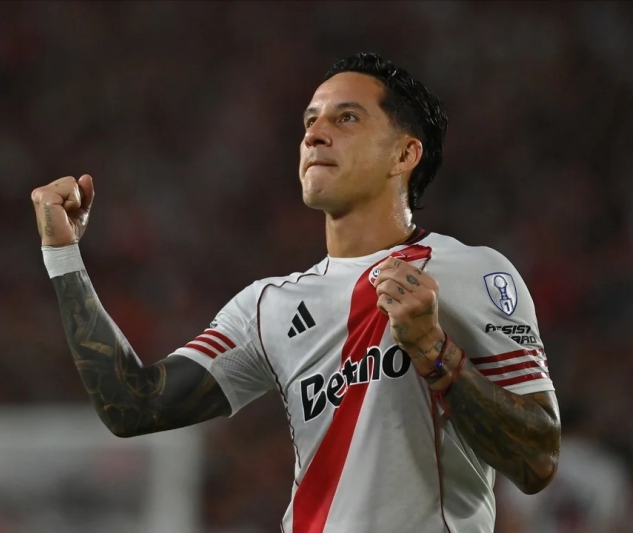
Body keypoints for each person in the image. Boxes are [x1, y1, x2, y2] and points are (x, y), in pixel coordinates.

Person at [30, 52, 561, 533]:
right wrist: (63, 254)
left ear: (404, 154)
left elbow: (537, 461)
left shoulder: (472, 273)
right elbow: (132, 405)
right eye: (310, 121)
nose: (315, 135)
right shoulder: (268, 306)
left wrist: (435, 353)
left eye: (346, 118)